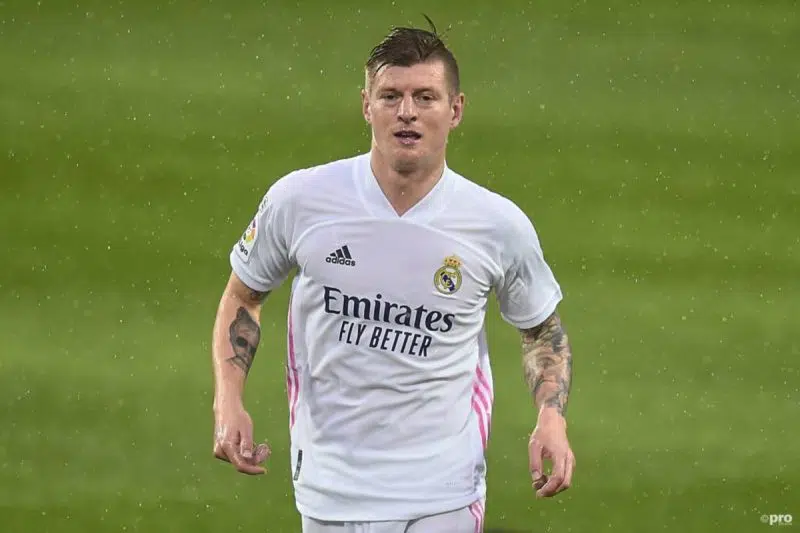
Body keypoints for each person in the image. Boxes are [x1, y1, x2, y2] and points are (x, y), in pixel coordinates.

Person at [211, 18, 575, 533]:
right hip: (328, 488)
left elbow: (541, 329)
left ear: (456, 110)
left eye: (425, 97)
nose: (407, 112)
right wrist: (228, 402)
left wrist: (551, 418)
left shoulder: (496, 225)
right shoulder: (301, 201)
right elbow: (243, 296)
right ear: (366, 105)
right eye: (390, 96)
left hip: (443, 492)